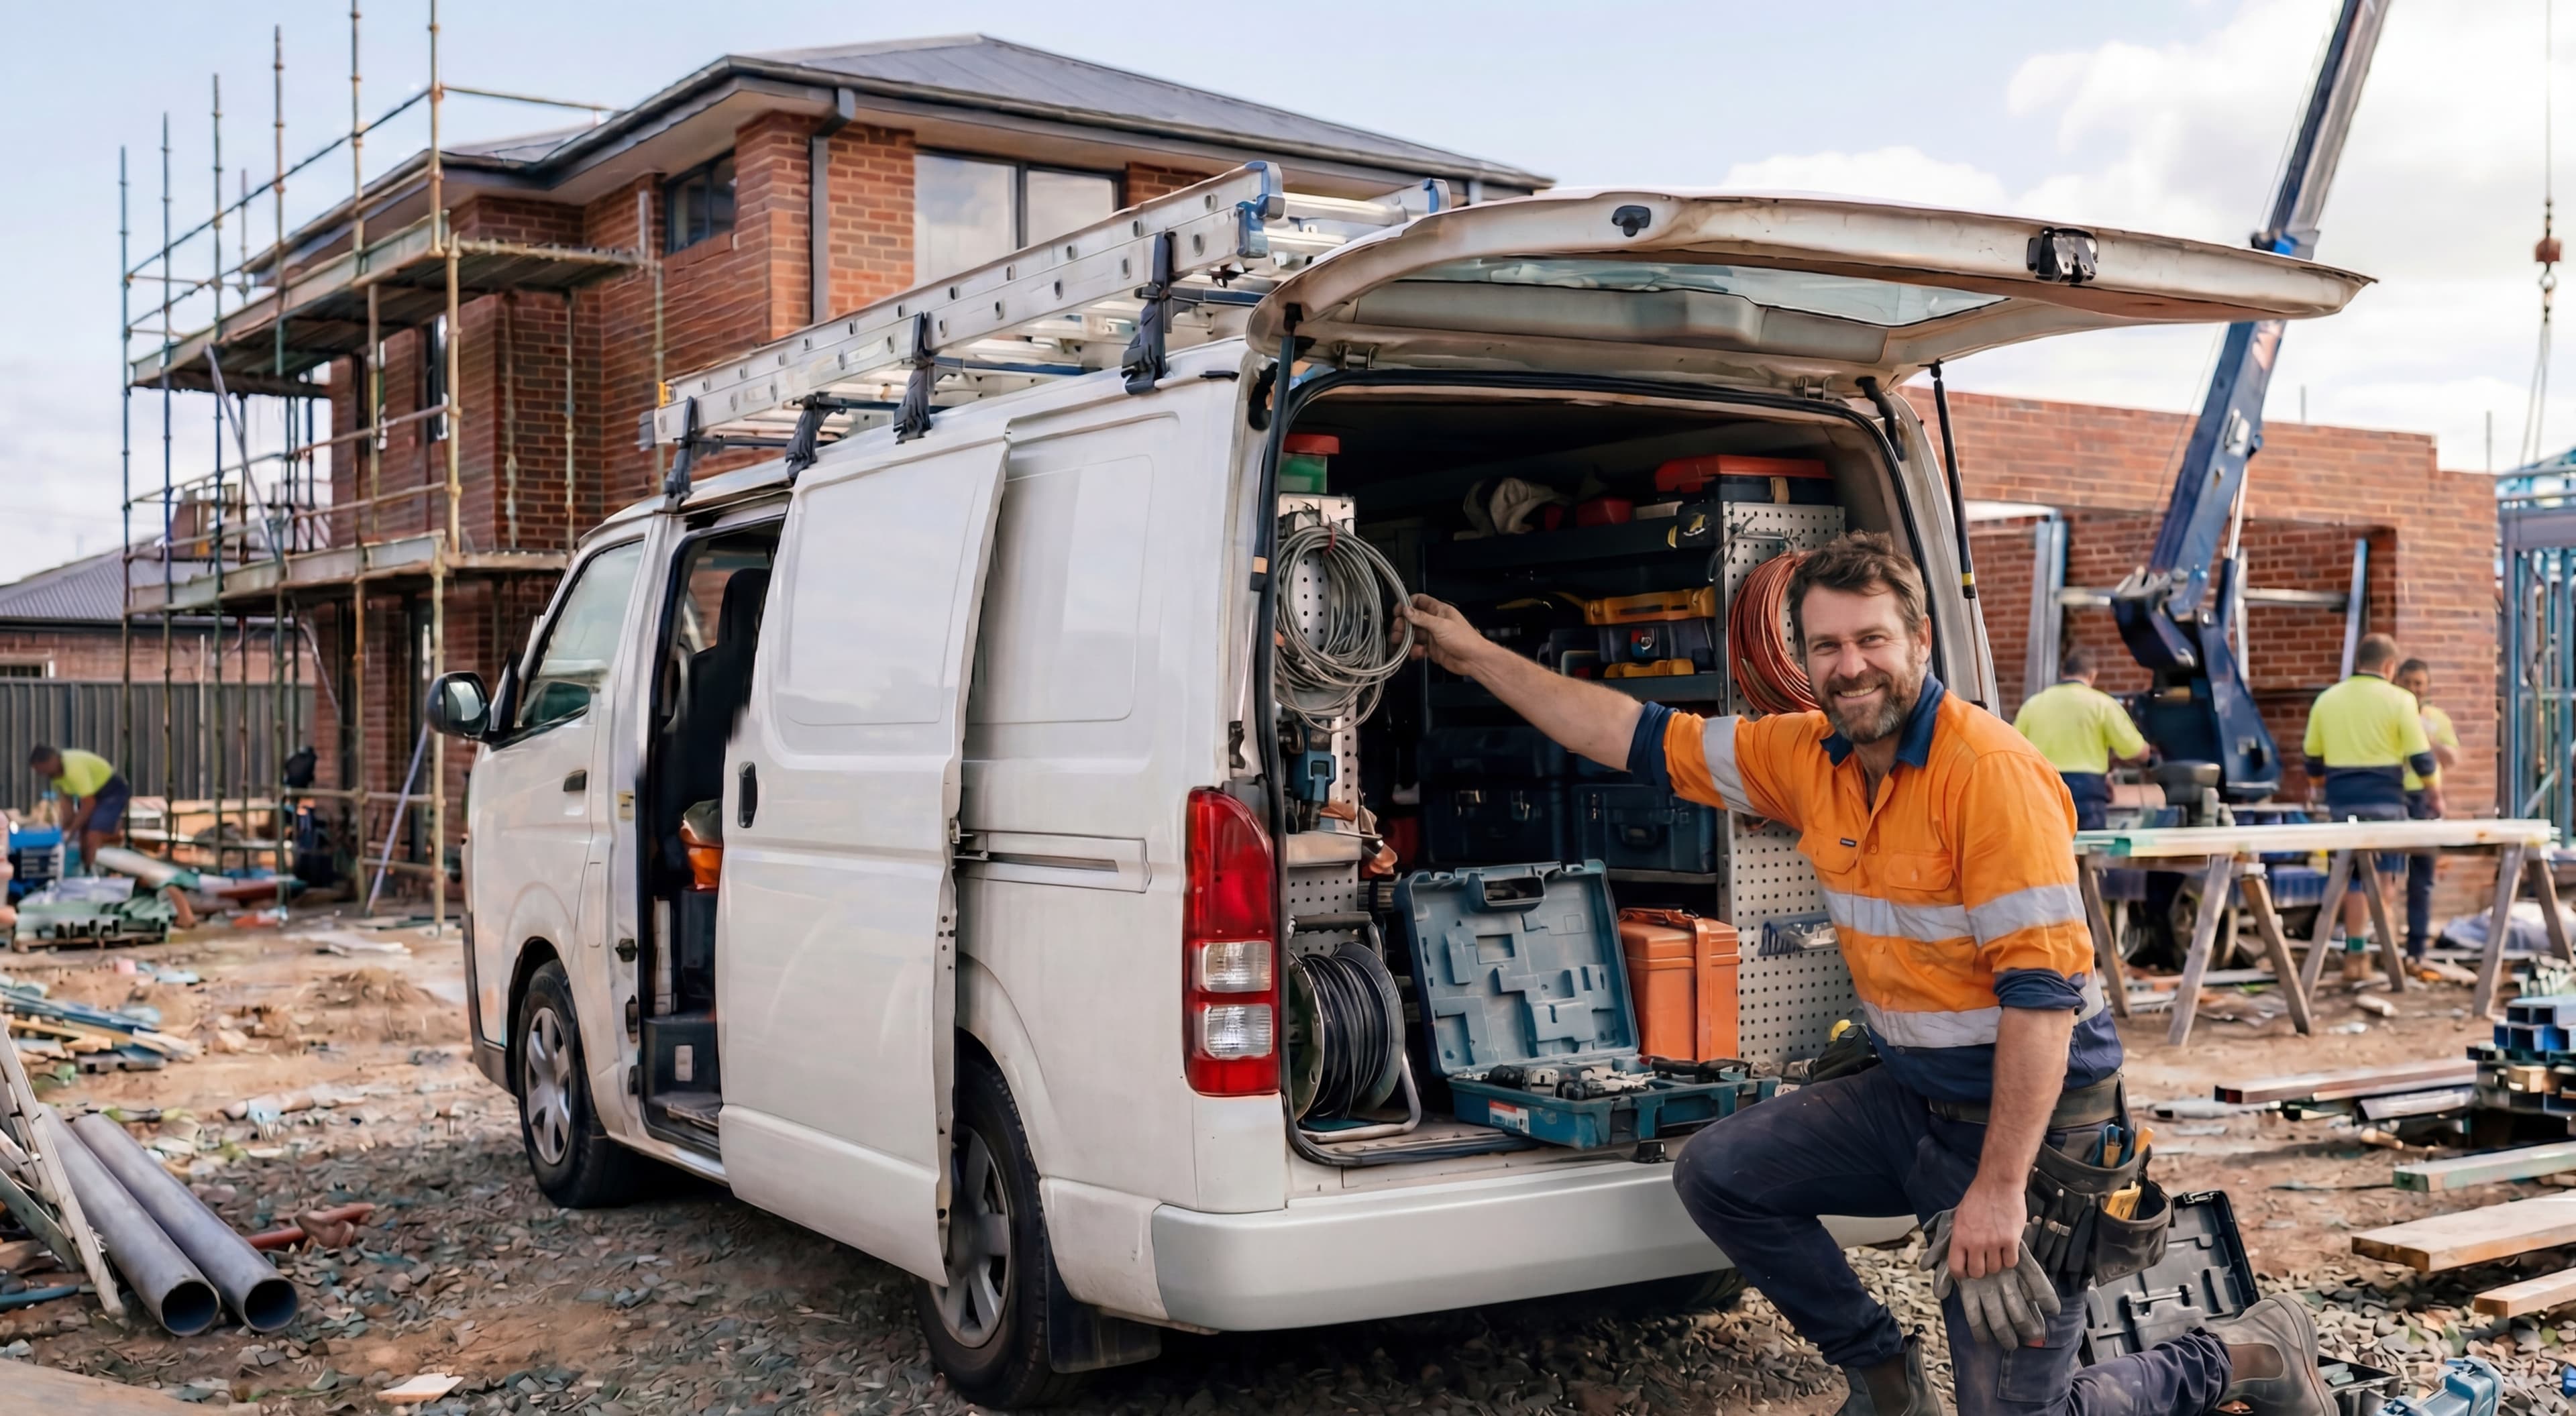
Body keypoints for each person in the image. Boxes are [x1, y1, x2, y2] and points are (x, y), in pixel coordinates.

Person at [1401, 531, 2325, 1416]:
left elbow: (2042, 1002)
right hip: (1914, 1103)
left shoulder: (1989, 773)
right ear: (1805, 655)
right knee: (1720, 1171)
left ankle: (2248, 1349)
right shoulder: (1807, 755)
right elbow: (1633, 733)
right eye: (1828, 645)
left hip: (2035, 1132)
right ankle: (1884, 1373)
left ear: (1920, 639)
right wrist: (1478, 654)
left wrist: (1998, 1189)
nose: (1851, 666)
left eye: (1873, 638)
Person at [2302, 635, 2439, 949]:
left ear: (2358, 663)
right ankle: (2387, 949)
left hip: (2342, 800)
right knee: (2384, 877)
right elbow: (2421, 758)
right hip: (2386, 801)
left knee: (2352, 879)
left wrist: (2319, 786)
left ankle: (2356, 953)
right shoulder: (2400, 701)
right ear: (2390, 666)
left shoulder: (2327, 699)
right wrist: (2435, 793)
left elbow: (2312, 757)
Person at [2012, 648, 2153, 830]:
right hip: (2087, 791)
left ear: (2063, 673)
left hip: (2042, 788)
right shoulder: (2102, 704)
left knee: (2050, 848)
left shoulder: (2033, 704)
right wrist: (2151, 756)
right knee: (2088, 848)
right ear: (2093, 675)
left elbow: (2014, 749)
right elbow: (2136, 750)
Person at [2391, 658, 2460, 962]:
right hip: (2393, 796)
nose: (2414, 689)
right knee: (2387, 876)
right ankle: (2388, 945)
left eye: (2419, 683)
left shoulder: (2437, 719)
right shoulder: (2389, 714)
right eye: (2408, 683)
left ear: (2428, 686)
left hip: (2425, 799)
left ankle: (2417, 949)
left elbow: (2452, 758)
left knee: (2423, 877)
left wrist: (2423, 740)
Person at [28, 744, 130, 874]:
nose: (39, 774)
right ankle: (84, 869)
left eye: (39, 769)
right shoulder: (56, 775)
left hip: (110, 791)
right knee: (82, 832)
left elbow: (89, 804)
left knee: (94, 832)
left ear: (49, 761)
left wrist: (71, 830)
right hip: (92, 794)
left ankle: (94, 872)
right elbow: (67, 805)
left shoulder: (73, 769)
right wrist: (66, 829)